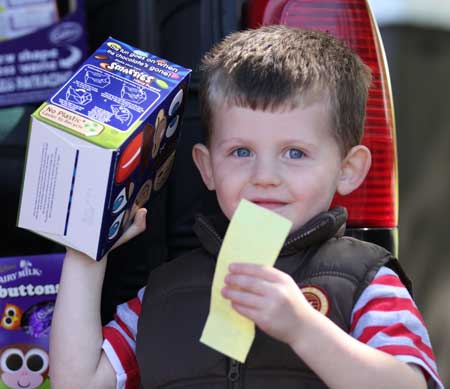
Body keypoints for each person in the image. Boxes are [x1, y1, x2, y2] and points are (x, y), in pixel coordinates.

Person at [49, 26, 443, 389]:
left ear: (347, 170)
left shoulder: (365, 280)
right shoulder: (164, 292)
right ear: (207, 167)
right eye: (241, 151)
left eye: (295, 152)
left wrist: (302, 328)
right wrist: (86, 254)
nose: (264, 175)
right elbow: (78, 382)